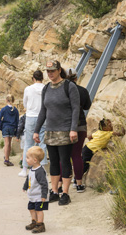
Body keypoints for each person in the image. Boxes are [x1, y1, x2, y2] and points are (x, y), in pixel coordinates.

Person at [33, 60, 80, 206]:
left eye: (52, 70)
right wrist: (36, 130)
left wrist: (73, 129)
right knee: (53, 162)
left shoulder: (69, 86)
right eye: (48, 71)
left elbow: (76, 109)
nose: (50, 73)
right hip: (50, 132)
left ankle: (65, 193)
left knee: (65, 162)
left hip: (65, 131)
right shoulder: (46, 88)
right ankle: (54, 191)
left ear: (59, 70)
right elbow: (43, 110)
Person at [66, 68, 91, 192]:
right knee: (77, 155)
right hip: (80, 125)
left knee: (64, 156)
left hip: (64, 126)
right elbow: (87, 106)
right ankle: (79, 183)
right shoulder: (82, 90)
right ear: (76, 78)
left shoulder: (62, 90)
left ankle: (60, 185)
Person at [20, 70, 47, 178]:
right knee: (42, 143)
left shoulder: (28, 89)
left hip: (31, 116)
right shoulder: (46, 88)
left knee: (28, 143)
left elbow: (25, 103)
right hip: (43, 116)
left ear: (33, 78)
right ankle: (43, 168)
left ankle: (25, 168)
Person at [23, 146, 49, 234]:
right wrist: (25, 186)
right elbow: (28, 178)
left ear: (35, 160)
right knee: (31, 208)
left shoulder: (40, 171)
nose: (26, 159)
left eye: (27, 158)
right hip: (32, 195)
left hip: (39, 195)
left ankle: (40, 224)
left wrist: (44, 195)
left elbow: (44, 184)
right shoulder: (32, 169)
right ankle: (34, 222)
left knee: (39, 210)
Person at [0, 94, 19, 166]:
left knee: (6, 143)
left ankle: (6, 159)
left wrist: (1, 127)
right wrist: (16, 131)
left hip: (5, 127)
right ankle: (7, 157)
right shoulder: (15, 110)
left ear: (6, 100)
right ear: (13, 100)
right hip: (12, 127)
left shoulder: (4, 109)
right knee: (9, 143)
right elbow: (17, 121)